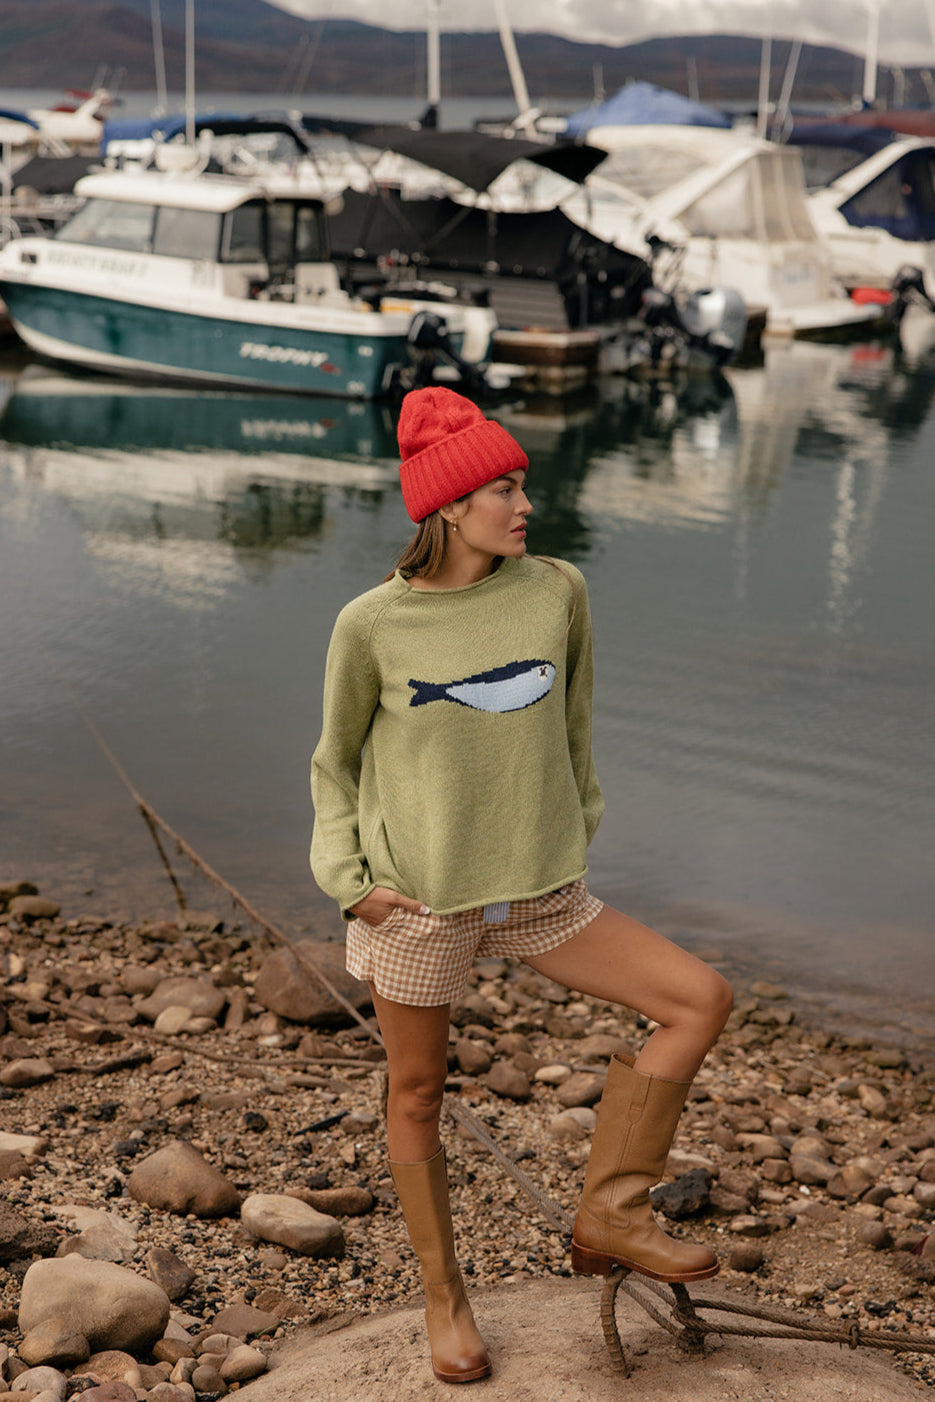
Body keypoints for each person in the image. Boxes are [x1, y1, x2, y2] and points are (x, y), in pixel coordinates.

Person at [310, 386, 733, 1385]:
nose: (522, 504)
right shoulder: (370, 624)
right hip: (419, 898)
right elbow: (333, 763)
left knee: (696, 998)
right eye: (502, 488)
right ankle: (442, 1296)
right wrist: (351, 882)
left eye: (521, 486)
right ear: (450, 507)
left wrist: (573, 822)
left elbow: (574, 725)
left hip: (542, 888)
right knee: (415, 1088)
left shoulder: (556, 590)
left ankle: (611, 1210)